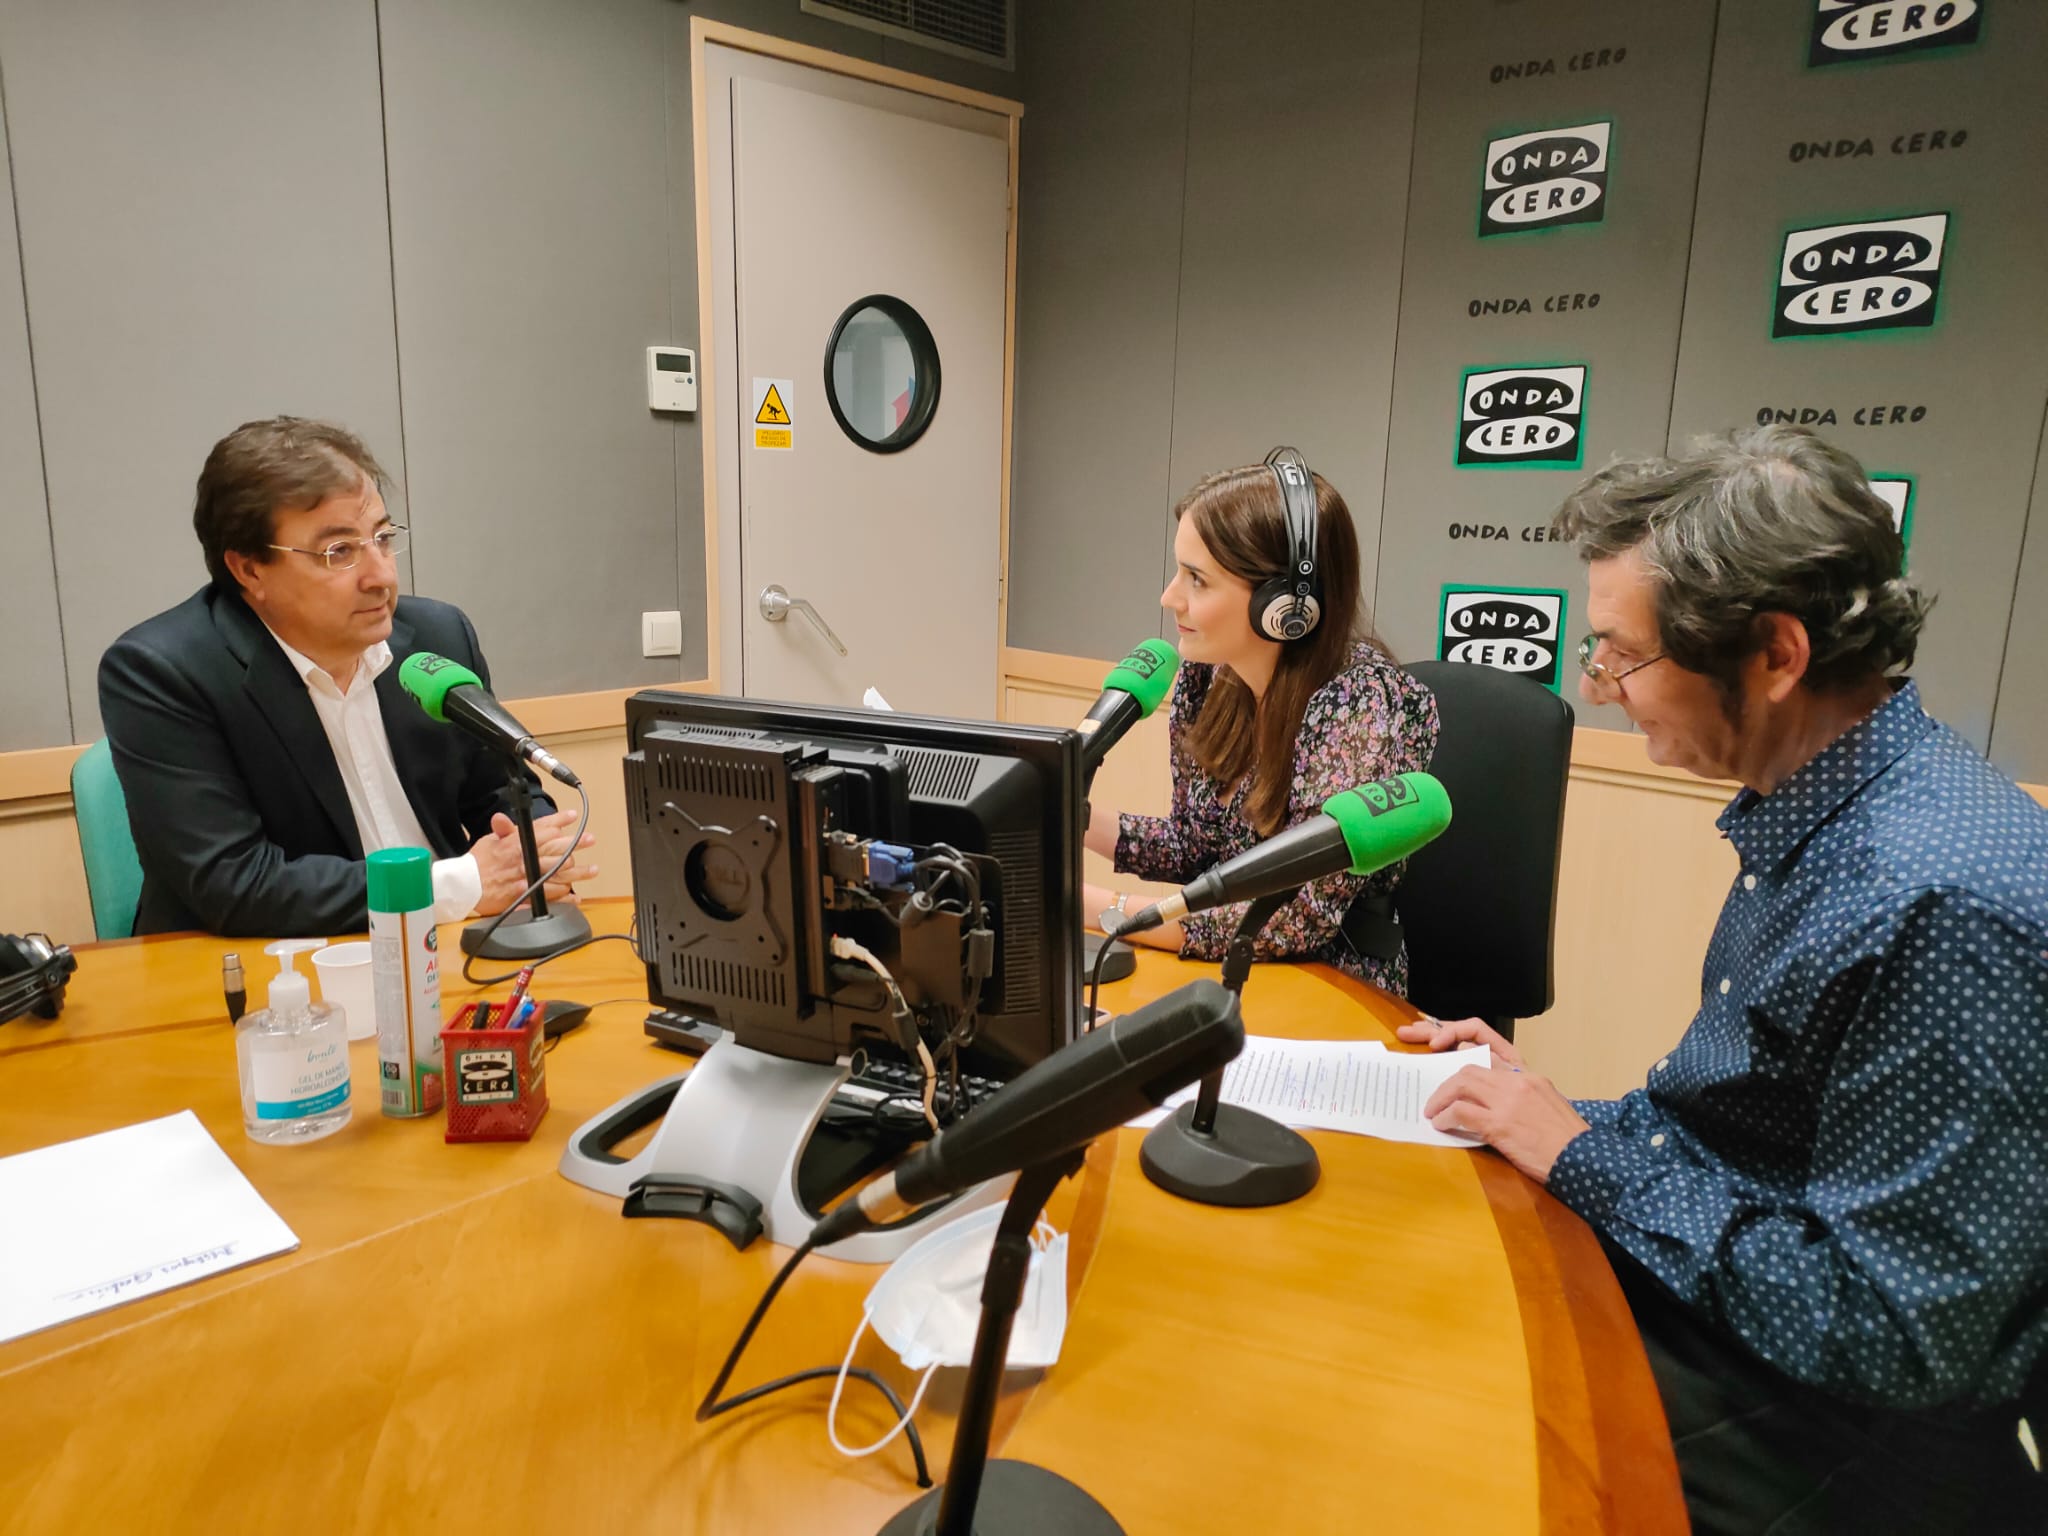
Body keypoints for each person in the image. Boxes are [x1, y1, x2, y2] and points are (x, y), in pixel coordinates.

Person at [1403, 426, 2048, 1532]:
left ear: (1775, 655)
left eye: (1620, 654)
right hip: (1760, 1343)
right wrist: (1553, 1115)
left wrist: (1579, 1156)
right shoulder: (1829, 812)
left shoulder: (1936, 902)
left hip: (1841, 1432)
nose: (1598, 688)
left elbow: (1893, 1334)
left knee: (1432, 1430)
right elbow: (1742, 1134)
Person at [99, 417, 596, 938]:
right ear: (250, 570)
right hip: (268, 970)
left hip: (447, 947)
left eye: (382, 538)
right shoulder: (161, 672)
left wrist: (532, 845)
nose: (380, 574)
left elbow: (501, 789)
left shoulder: (437, 636)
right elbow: (237, 885)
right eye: (339, 552)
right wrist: (461, 883)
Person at [1083, 454, 1439, 996]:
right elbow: (1194, 848)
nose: (1169, 596)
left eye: (1197, 580)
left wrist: (1097, 908)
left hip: (1330, 988)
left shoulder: (1363, 702)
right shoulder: (1210, 682)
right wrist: (1064, 810)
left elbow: (1296, 916)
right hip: (1222, 969)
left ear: (1284, 607)